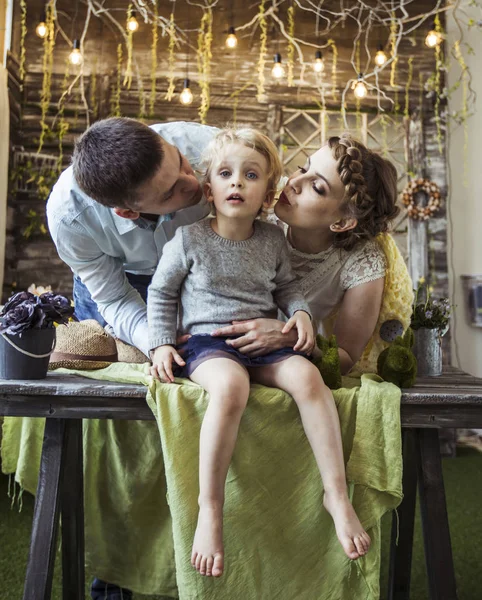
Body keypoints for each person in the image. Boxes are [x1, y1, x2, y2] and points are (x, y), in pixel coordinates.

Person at [148, 128, 371, 579]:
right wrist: (161, 343)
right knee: (231, 387)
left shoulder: (272, 241)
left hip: (263, 344)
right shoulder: (188, 241)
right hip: (209, 344)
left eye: (250, 176)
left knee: (310, 380)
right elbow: (160, 292)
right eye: (225, 174)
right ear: (208, 187)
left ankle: (336, 494)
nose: (236, 183)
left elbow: (288, 289)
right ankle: (210, 508)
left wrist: (302, 315)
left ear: (267, 194)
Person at [46, 117, 219, 600]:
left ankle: (210, 560)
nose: (195, 183)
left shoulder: (207, 147)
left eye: (180, 164)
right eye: (170, 192)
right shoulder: (69, 218)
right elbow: (117, 302)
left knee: (200, 411)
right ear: (127, 212)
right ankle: (114, 577)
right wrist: (159, 341)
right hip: (121, 292)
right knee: (120, 436)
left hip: (201, 271)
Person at [212, 132, 412, 377]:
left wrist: (289, 339)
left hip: (293, 368)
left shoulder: (362, 262)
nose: (294, 182)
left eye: (317, 187)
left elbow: (346, 358)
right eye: (302, 168)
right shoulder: (258, 211)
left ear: (343, 222)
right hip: (220, 353)